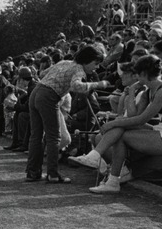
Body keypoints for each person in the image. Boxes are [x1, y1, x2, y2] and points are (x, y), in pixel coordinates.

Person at [86, 54, 162, 195]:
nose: (136, 77)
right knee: (120, 129)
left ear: (145, 74)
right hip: (160, 130)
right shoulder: (148, 91)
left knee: (120, 131)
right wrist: (132, 92)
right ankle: (99, 161)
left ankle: (108, 174)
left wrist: (113, 123)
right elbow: (133, 115)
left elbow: (141, 119)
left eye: (138, 74)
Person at [24, 45, 108, 183]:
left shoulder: (65, 62)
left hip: (36, 93)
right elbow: (76, 86)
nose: (97, 67)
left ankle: (33, 172)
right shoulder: (79, 70)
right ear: (87, 60)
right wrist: (98, 84)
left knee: (36, 135)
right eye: (95, 63)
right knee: (54, 137)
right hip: (48, 96)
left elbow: (42, 74)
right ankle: (53, 174)